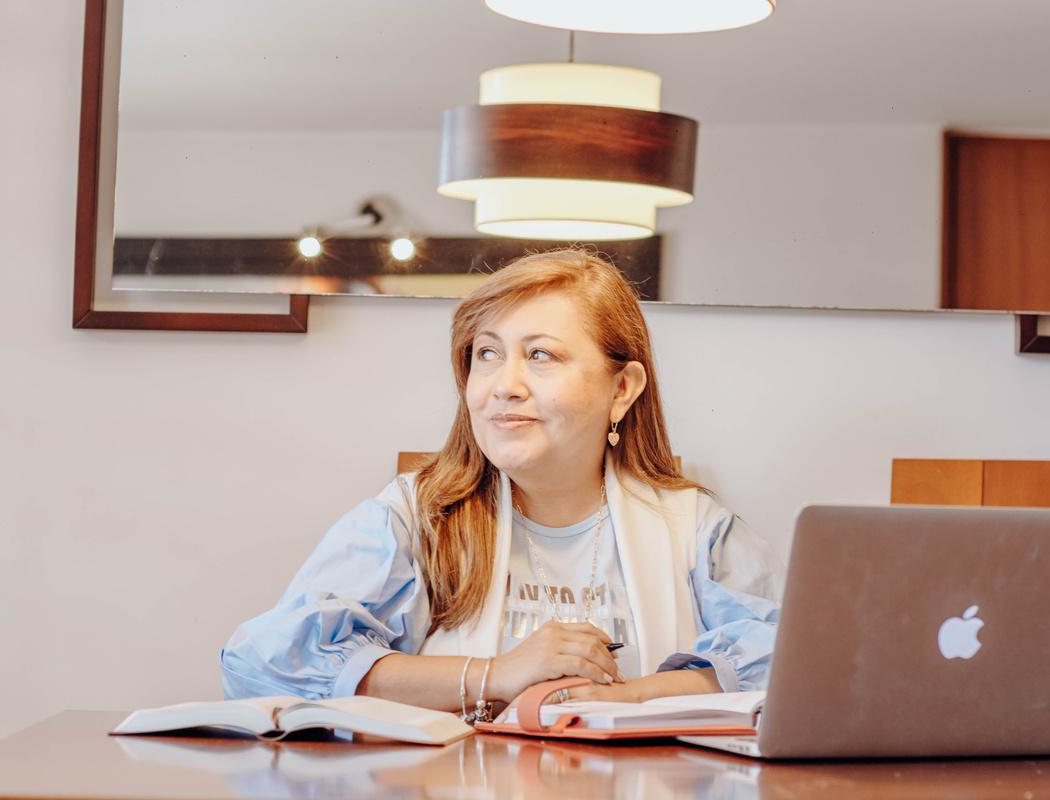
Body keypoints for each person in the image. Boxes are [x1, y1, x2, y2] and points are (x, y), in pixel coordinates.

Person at [220, 249, 780, 719]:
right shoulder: (409, 520)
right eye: (487, 353)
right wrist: (494, 675)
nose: (503, 385)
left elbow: (788, 663)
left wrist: (628, 697)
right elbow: (263, 665)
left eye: (540, 355)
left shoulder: (696, 529)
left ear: (622, 389)